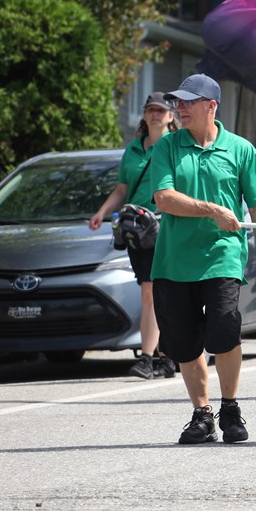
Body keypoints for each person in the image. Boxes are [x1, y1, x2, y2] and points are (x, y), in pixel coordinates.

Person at [149, 74, 256, 445]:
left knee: (224, 328)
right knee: (185, 342)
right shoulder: (168, 147)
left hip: (223, 256)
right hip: (174, 261)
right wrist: (211, 210)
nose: (180, 108)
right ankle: (202, 415)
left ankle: (230, 408)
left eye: (189, 101)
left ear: (211, 106)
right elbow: (164, 198)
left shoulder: (240, 149)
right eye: (178, 102)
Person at [89, 92, 179, 379]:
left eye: (160, 110)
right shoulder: (133, 149)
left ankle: (160, 355)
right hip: (139, 229)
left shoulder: (176, 145)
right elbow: (122, 189)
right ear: (144, 114)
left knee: (164, 291)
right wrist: (102, 212)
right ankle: (153, 357)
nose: (155, 114)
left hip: (168, 225)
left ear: (170, 117)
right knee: (149, 291)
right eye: (150, 109)